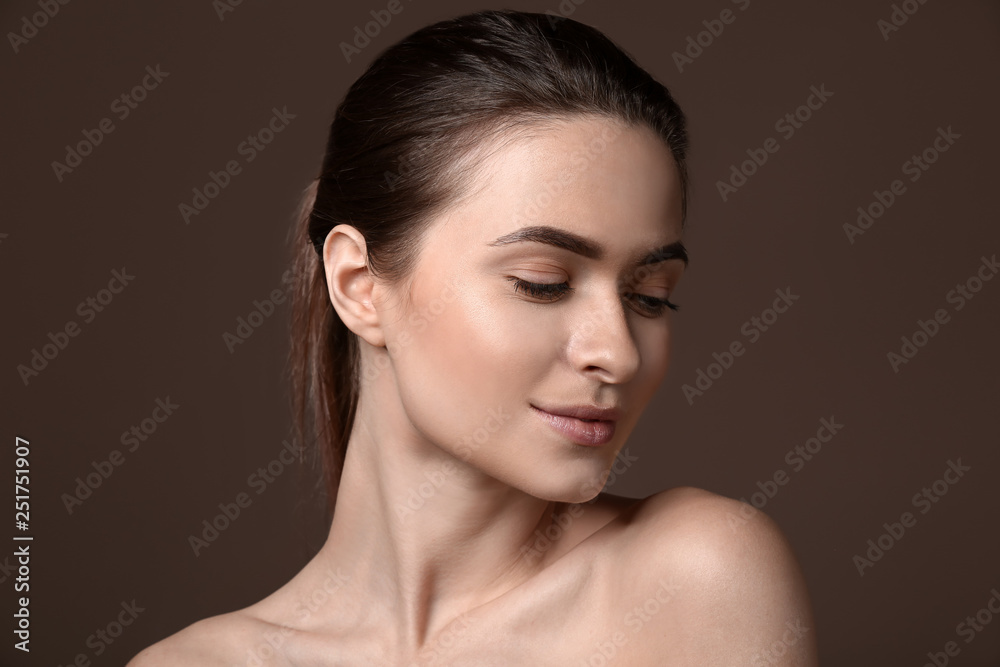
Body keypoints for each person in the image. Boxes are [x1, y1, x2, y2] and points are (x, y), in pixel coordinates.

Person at [128, 9, 817, 665]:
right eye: (542, 281)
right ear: (359, 284)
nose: (618, 351)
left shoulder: (696, 580)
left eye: (648, 295)